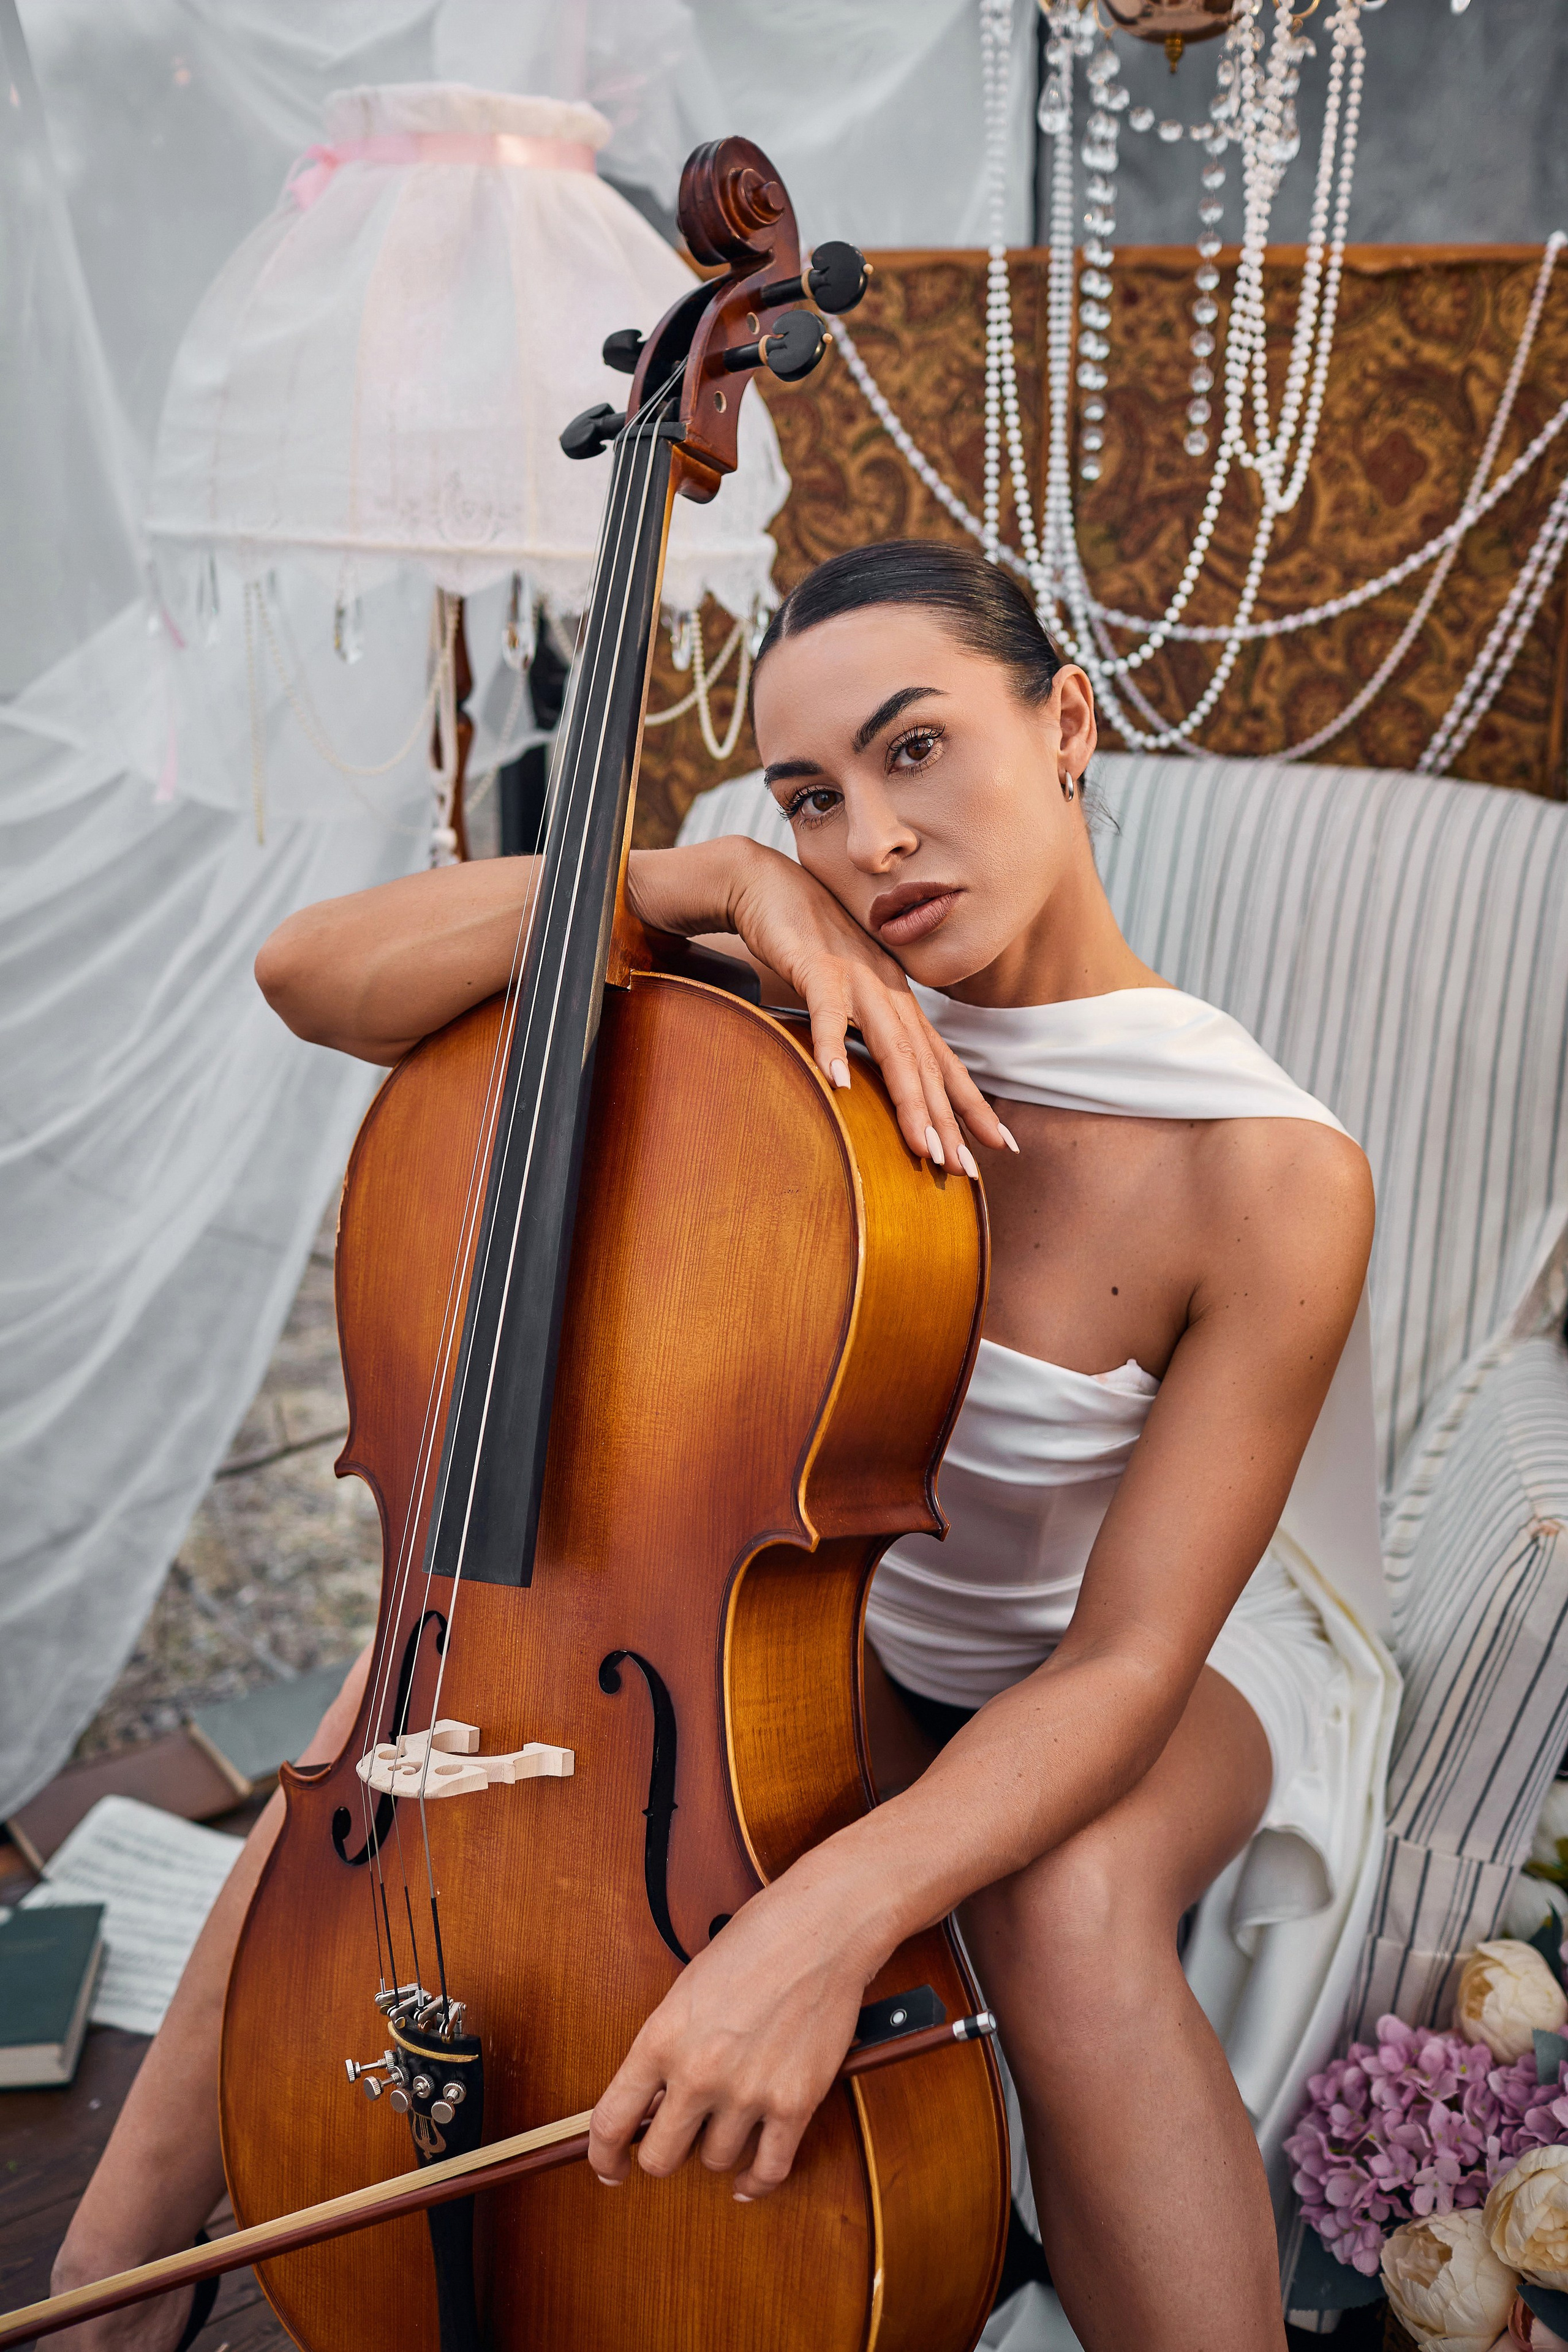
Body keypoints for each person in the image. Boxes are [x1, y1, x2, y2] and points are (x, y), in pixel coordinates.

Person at [51, 541, 1384, 2352]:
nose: (873, 842)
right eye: (816, 797)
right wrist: (699, 874)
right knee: (400, 1704)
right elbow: (312, 972)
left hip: (1136, 1656)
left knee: (1068, 1905)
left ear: (1067, 722)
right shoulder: (769, 1013)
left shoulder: (1266, 1174)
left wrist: (823, 1916)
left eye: (917, 753)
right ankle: (106, 2288)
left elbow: (1129, 1661)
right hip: (838, 1626)